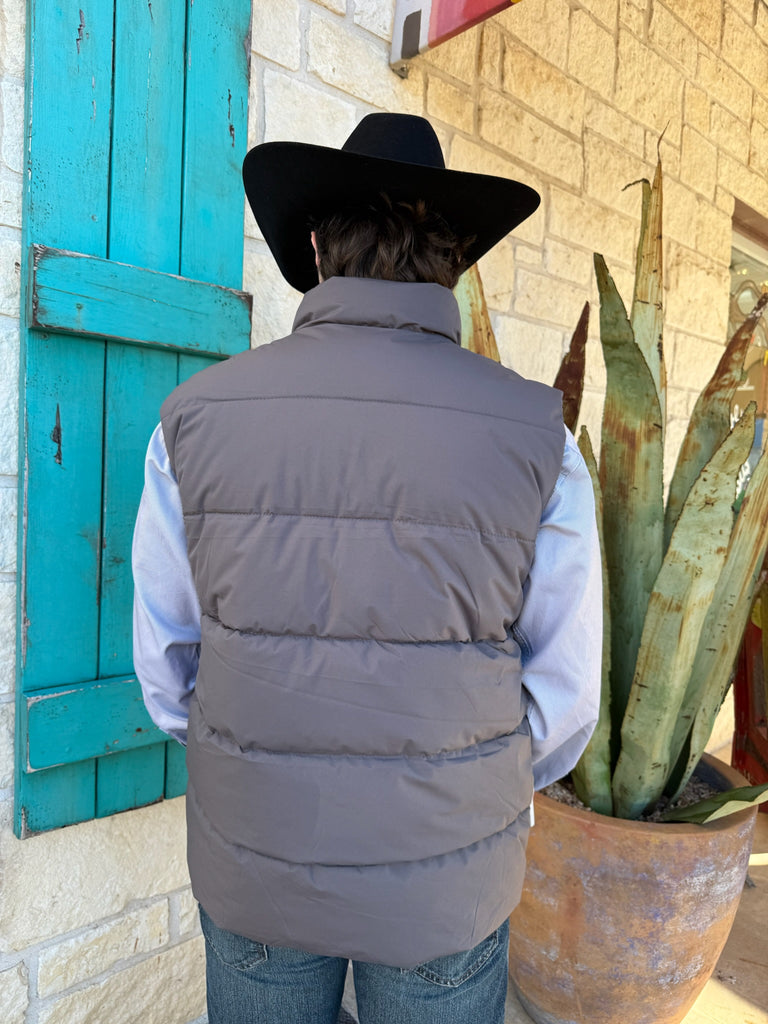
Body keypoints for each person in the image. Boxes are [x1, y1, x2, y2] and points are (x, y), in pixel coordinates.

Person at [132, 112, 601, 1024]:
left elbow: (166, 667)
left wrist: (254, 759)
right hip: (447, 867)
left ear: (314, 247)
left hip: (257, 849)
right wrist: (469, 783)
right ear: (454, 259)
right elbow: (564, 696)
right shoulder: (539, 440)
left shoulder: (192, 419)